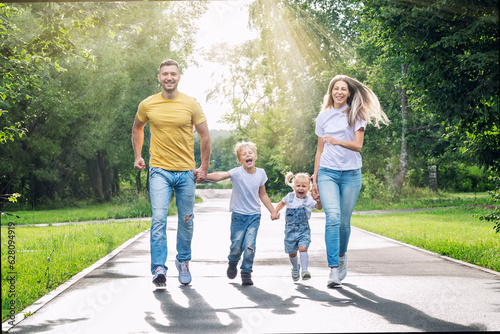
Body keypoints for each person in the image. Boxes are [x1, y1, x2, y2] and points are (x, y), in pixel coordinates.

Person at [132, 59, 211, 287]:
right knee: (159, 219)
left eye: (173, 74)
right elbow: (137, 127)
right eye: (165, 74)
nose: (169, 77)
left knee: (186, 220)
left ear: (178, 77)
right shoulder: (148, 104)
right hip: (159, 171)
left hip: (186, 172)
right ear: (159, 78)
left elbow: (205, 136)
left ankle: (183, 262)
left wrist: (203, 167)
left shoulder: (191, 104)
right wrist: (138, 155)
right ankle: (158, 268)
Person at [312, 74, 389, 288]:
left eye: (343, 89)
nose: (339, 92)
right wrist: (315, 180)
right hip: (327, 172)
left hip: (351, 174)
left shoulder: (357, 114)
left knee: (344, 223)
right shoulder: (323, 117)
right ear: (331, 92)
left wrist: (336, 141)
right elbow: (319, 151)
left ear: (349, 92)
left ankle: (343, 256)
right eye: (336, 88)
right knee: (333, 218)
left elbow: (358, 145)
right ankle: (333, 269)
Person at [205, 141, 276, 286]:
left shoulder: (261, 173)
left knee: (250, 246)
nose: (247, 155)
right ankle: (232, 261)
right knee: (236, 246)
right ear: (239, 160)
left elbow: (263, 194)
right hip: (238, 216)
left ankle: (246, 272)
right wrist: (203, 175)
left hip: (254, 216)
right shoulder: (237, 172)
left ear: (255, 156)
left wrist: (273, 211)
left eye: (250, 153)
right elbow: (219, 176)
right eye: (244, 154)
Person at [273, 172, 322, 281]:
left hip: (303, 230)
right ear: (294, 186)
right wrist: (275, 211)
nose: (301, 188)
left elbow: (318, 207)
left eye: (304, 186)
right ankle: (295, 267)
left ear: (309, 188)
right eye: (298, 186)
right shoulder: (289, 197)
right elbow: (281, 204)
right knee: (292, 252)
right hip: (290, 231)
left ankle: (305, 270)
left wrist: (319, 200)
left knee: (303, 248)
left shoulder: (309, 200)